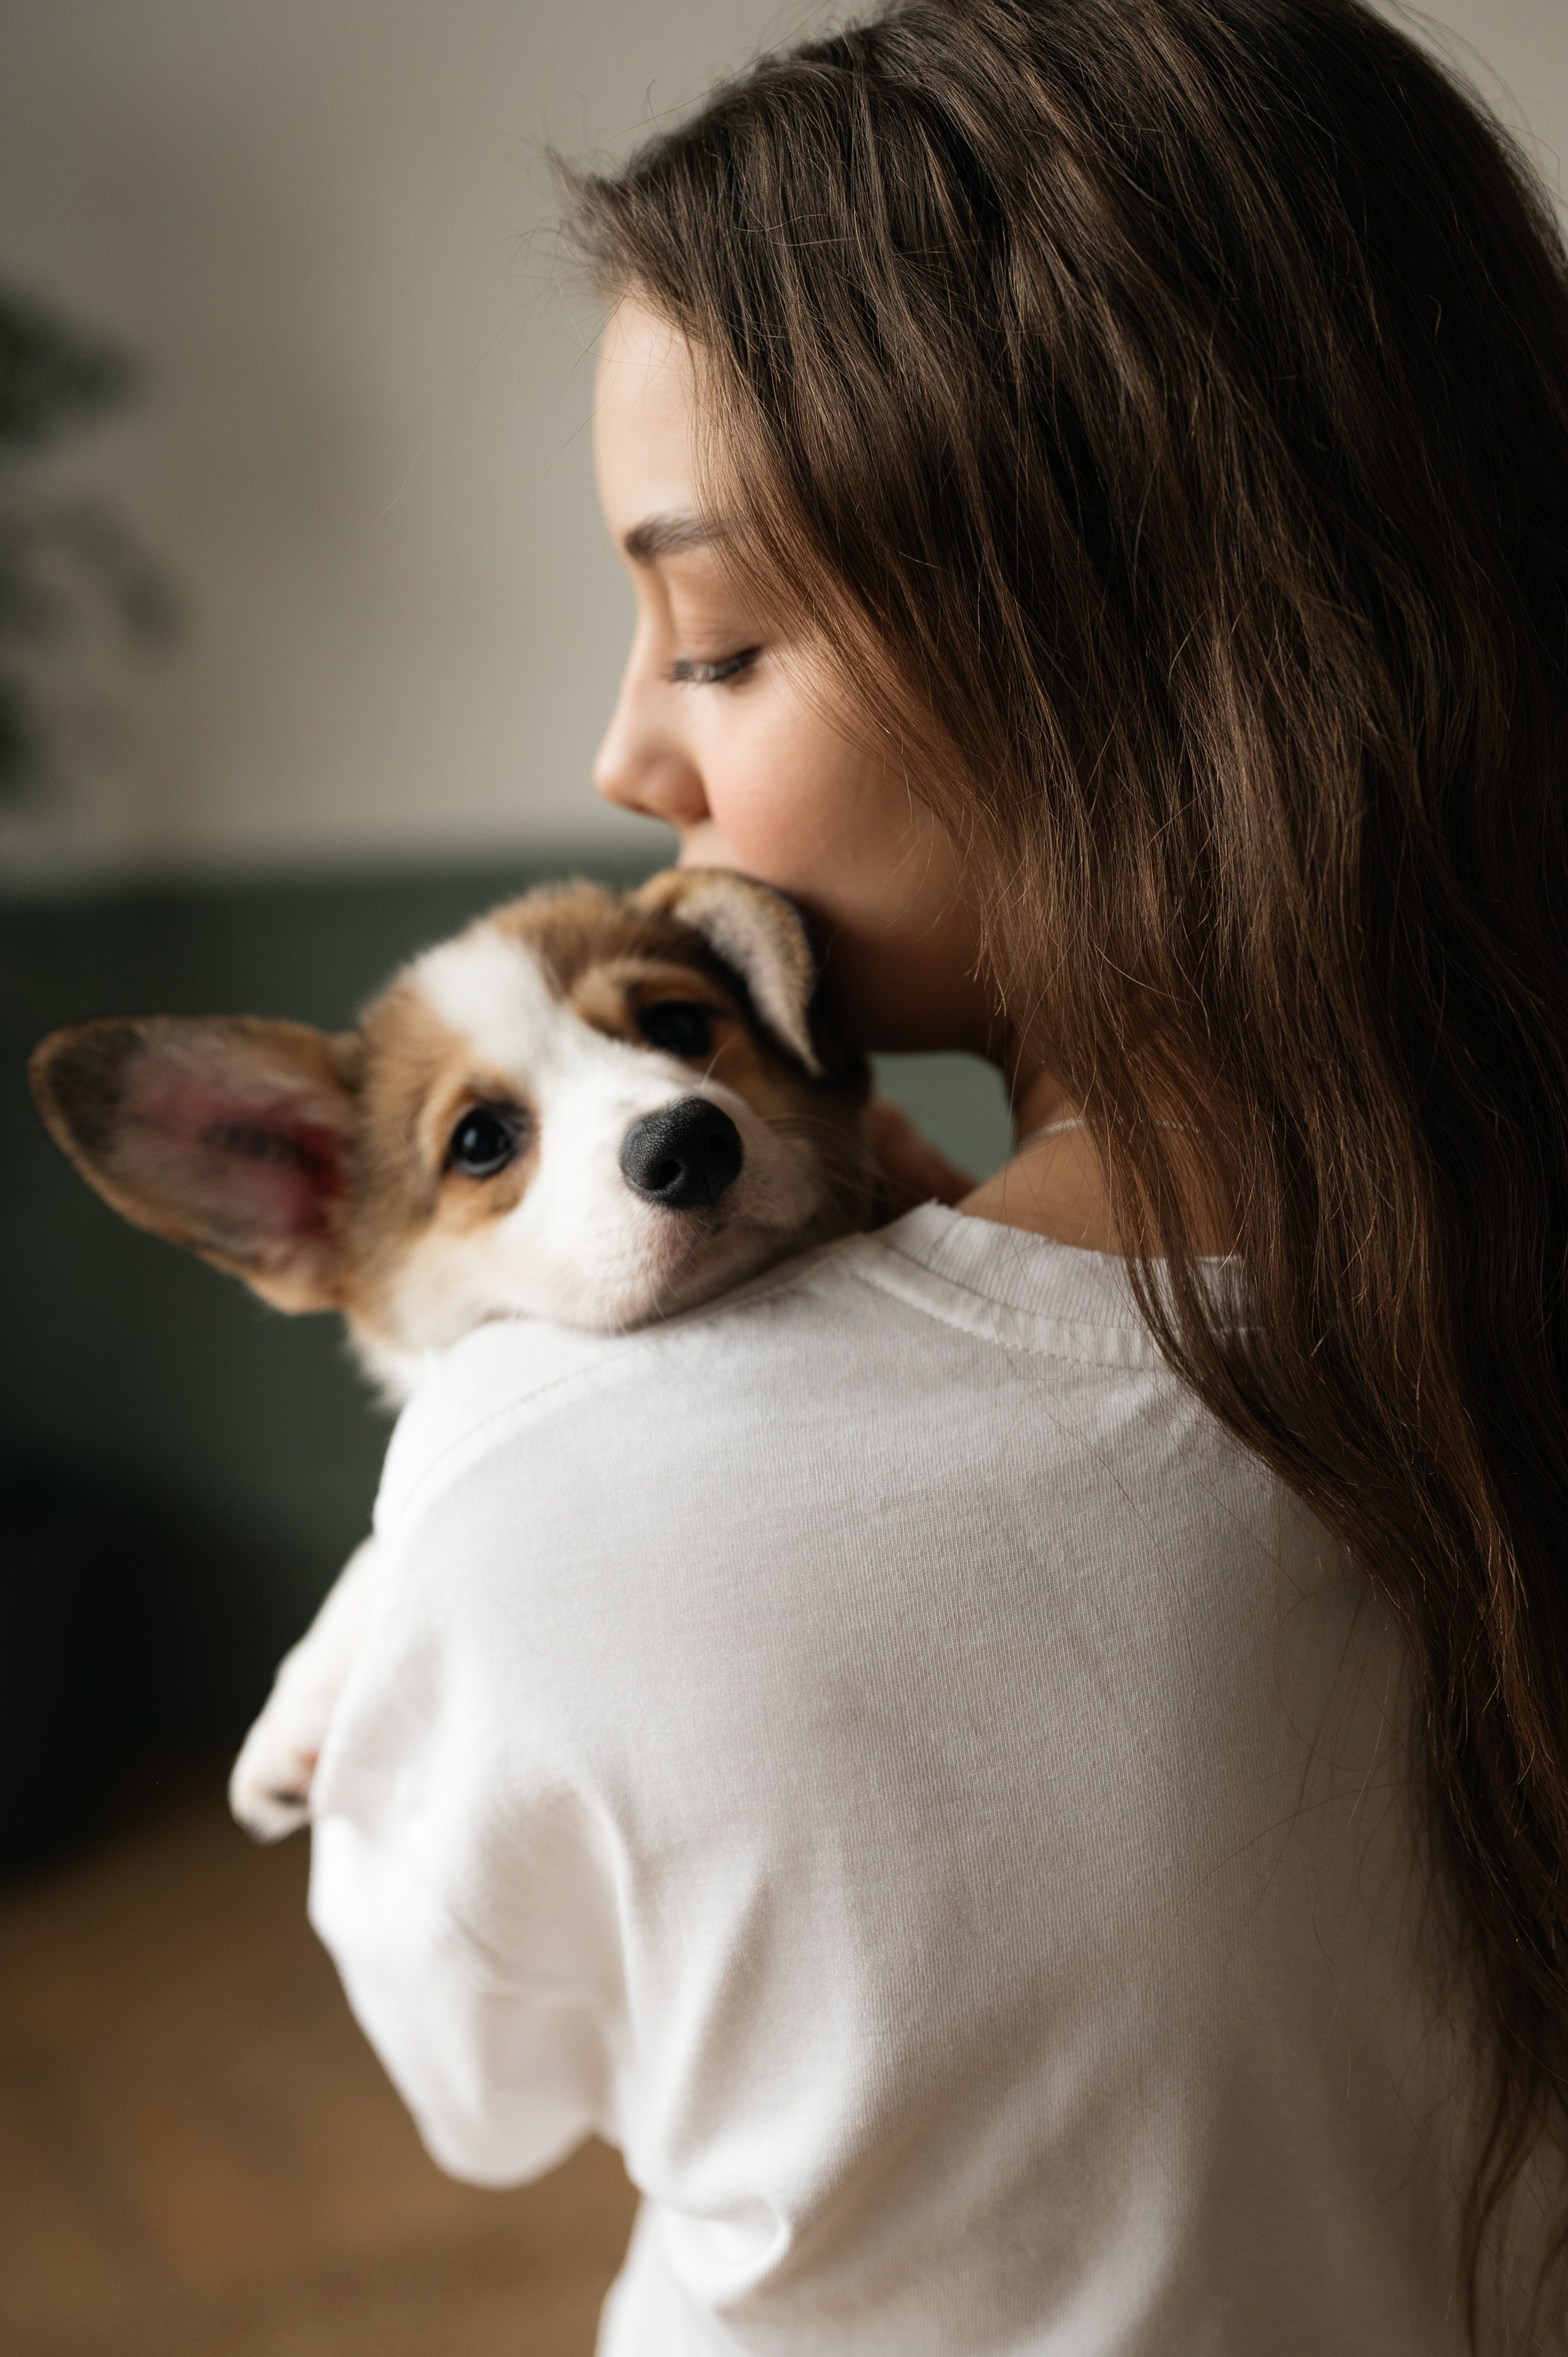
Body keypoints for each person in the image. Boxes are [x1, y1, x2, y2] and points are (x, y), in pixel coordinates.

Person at [307, 1, 1568, 2347]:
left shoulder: (564, 1477)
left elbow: (486, 2097)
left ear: (1132, 659)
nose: (626, 753)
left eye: (716, 641)